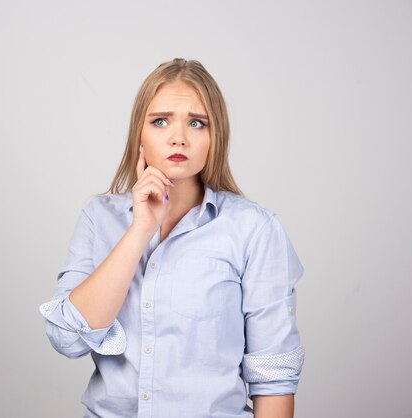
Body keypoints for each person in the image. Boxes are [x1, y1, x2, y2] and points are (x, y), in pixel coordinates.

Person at [39, 58, 305, 418]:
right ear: (139, 134)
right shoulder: (99, 218)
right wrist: (140, 231)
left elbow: (273, 376)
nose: (178, 137)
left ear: (216, 137)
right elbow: (66, 339)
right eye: (160, 121)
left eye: (197, 123)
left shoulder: (254, 230)